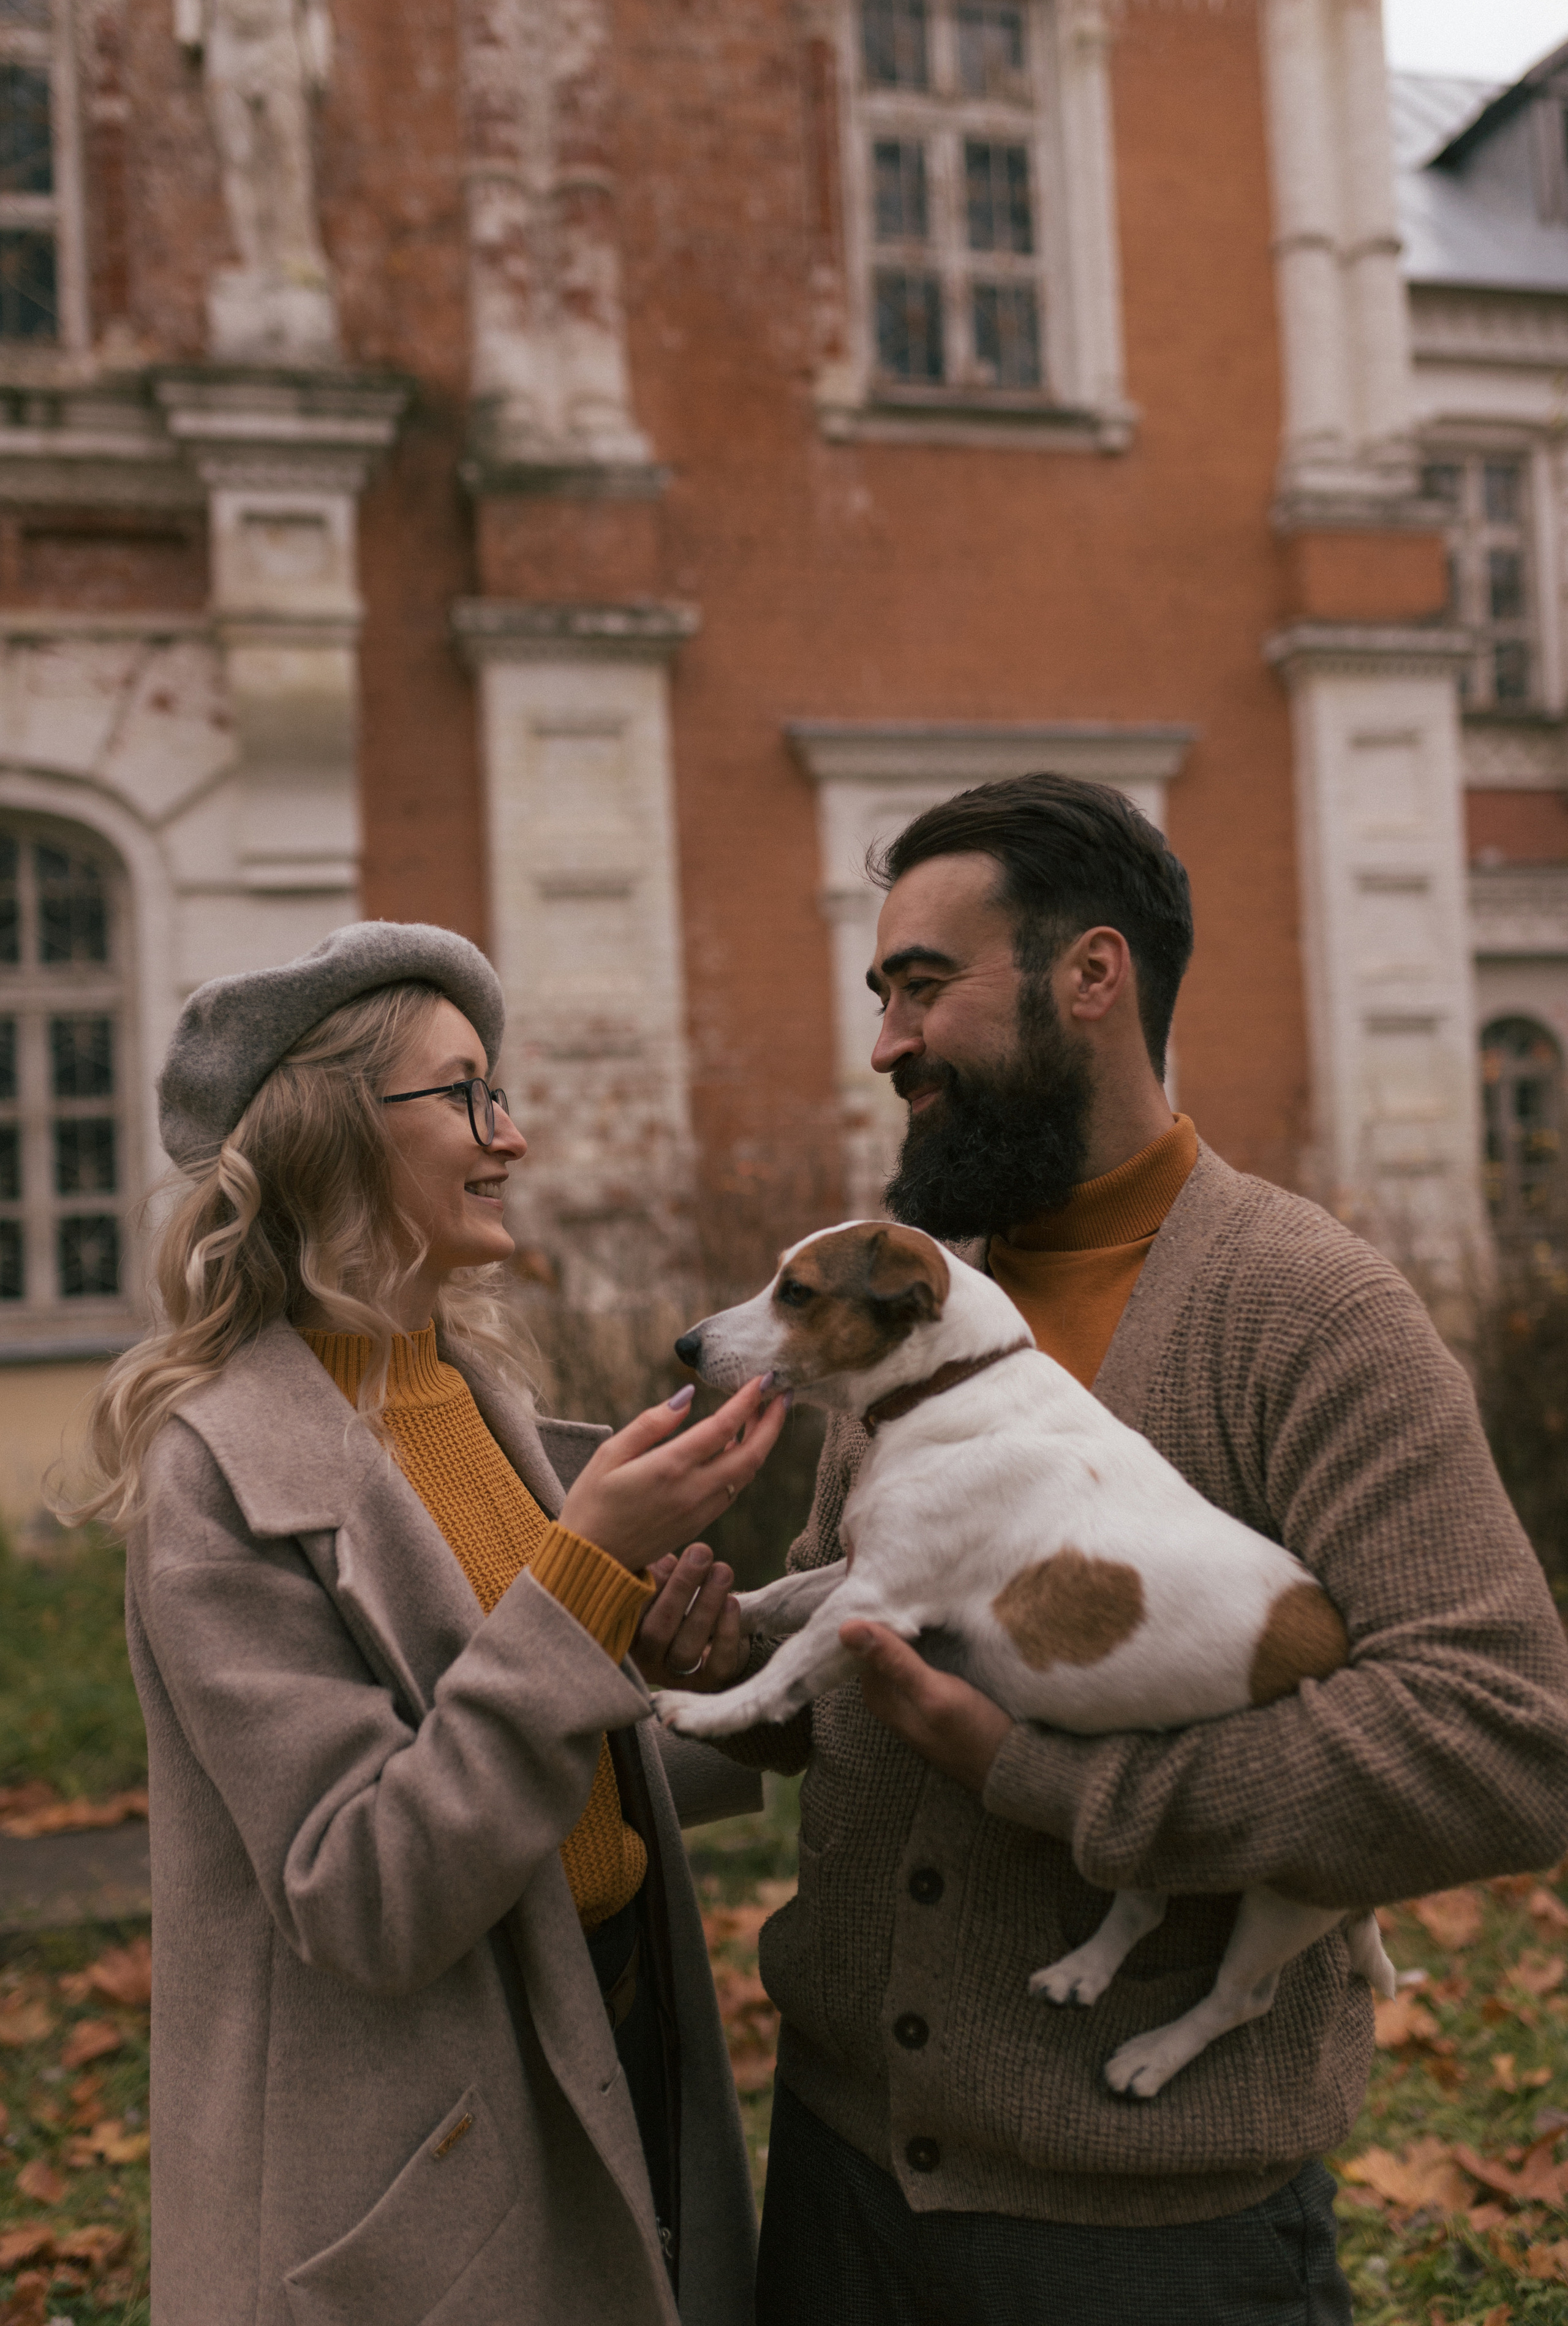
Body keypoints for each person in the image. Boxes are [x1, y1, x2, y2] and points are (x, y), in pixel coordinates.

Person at [663, 775, 1568, 2325]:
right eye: (878, 994)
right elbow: (885, 1677)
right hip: (832, 2183)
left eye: (921, 988)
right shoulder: (905, 1314)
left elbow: (1501, 1737)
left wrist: (1064, 1787)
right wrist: (737, 1654)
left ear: (1092, 977)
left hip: (1140, 2246)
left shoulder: (1309, 1314)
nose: (883, 1045)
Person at [79, 921, 786, 2326]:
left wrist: (683, 1676)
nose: (508, 1136)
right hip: (419, 2160)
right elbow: (367, 1891)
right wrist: (583, 1581)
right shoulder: (216, 1470)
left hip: (612, 2032)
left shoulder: (483, 1407)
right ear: (328, 1130)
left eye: (499, 1091)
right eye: (464, 1093)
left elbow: (542, 1755)